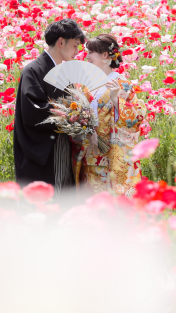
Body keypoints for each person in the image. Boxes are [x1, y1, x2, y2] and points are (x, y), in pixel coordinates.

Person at [13, 19, 85, 196]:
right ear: (61, 42)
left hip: (60, 145)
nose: (77, 52)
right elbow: (33, 110)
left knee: (62, 194)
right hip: (44, 149)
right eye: (75, 45)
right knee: (46, 200)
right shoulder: (33, 70)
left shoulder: (60, 71)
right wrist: (69, 114)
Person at [73, 34, 147, 197]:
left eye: (91, 52)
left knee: (111, 203)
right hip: (89, 152)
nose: (87, 56)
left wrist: (116, 99)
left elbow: (135, 121)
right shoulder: (86, 85)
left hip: (111, 154)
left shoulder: (122, 84)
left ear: (105, 55)